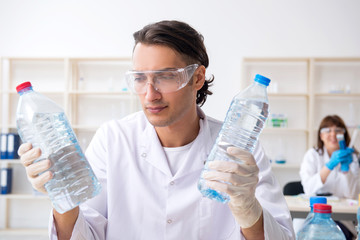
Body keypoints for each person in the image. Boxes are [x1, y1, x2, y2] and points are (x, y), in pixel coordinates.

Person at [18, 20, 294, 240]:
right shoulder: (113, 139)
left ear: (197, 77)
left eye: (165, 77)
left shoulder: (240, 150)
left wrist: (248, 209)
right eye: (140, 78)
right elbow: (83, 235)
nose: (150, 94)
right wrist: (62, 196)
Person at [299, 114, 359, 239]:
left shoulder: (352, 157)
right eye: (327, 130)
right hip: (312, 214)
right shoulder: (312, 155)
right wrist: (329, 165)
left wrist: (345, 170)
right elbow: (309, 189)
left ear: (344, 135)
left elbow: (351, 195)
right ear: (321, 136)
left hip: (341, 218)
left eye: (338, 130)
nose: (333, 134)